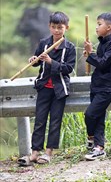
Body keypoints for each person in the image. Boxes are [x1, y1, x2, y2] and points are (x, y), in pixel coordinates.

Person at [18, 11, 76, 166]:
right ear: (49, 27)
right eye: (53, 27)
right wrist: (34, 60)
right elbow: (37, 61)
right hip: (44, 87)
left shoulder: (69, 48)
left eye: (60, 27)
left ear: (66, 28)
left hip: (60, 90)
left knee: (55, 121)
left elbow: (68, 68)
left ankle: (49, 152)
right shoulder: (44, 43)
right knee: (40, 120)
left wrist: (51, 61)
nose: (56, 30)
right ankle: (35, 153)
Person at [83, 12, 111, 160]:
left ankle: (91, 138)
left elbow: (102, 64)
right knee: (98, 117)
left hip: (106, 88)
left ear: (109, 27)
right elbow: (98, 61)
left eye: (99, 24)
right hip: (97, 86)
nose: (96, 27)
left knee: (90, 114)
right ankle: (99, 148)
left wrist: (90, 53)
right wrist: (90, 55)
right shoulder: (102, 43)